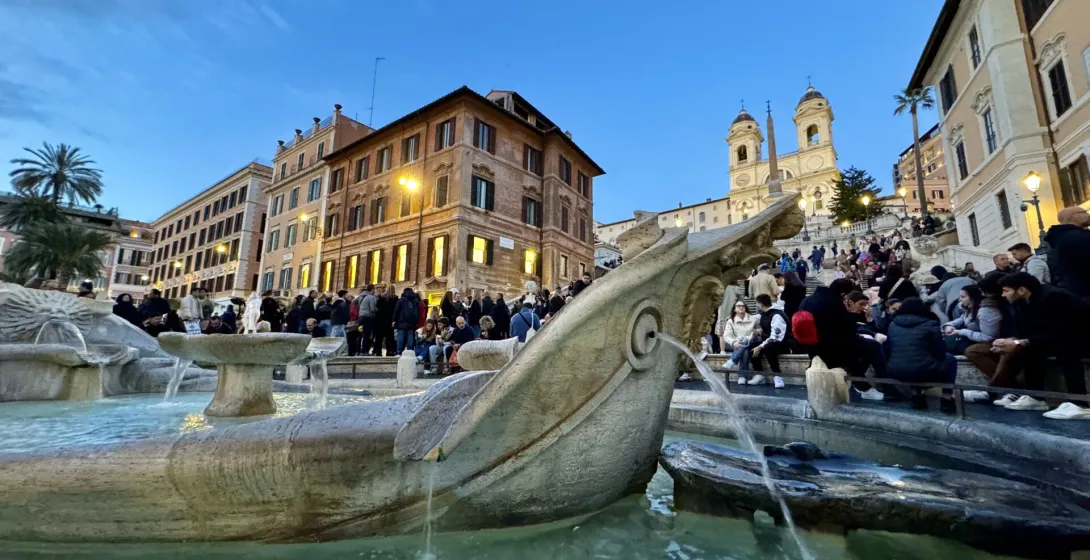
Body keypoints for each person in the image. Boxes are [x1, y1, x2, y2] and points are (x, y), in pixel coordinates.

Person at [988, 273, 1090, 419]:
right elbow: (1029, 330)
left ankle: (1080, 403)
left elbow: (1062, 330)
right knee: (1029, 348)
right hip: (1061, 336)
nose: (1003, 295)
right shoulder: (1025, 301)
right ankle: (1035, 397)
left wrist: (1021, 342)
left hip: (1079, 337)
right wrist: (1011, 341)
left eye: (1006, 291)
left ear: (1021, 290)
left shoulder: (1055, 298)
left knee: (1066, 347)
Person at [884, 297, 957, 412]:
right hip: (922, 370)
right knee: (950, 359)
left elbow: (888, 350)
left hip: (895, 371)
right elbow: (940, 352)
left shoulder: (892, 324)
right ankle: (947, 397)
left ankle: (917, 395)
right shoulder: (930, 323)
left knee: (913, 360)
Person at [943, 284, 1001, 402]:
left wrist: (962, 332)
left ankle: (1003, 382)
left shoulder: (984, 311)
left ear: (973, 297)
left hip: (991, 342)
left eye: (963, 297)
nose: (960, 300)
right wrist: (949, 326)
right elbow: (961, 320)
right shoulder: (969, 308)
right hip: (975, 339)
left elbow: (988, 337)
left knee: (971, 351)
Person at [741, 294, 788, 388]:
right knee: (752, 347)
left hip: (783, 343)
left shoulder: (777, 315)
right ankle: (759, 374)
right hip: (769, 341)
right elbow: (753, 319)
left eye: (757, 303)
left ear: (761, 304)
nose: (756, 306)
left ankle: (777, 376)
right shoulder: (764, 314)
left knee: (768, 348)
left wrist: (760, 347)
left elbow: (775, 337)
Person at [1043, 206, 1090, 297]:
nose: (1088, 215)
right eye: (1084, 212)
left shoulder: (1059, 238)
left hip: (1075, 290)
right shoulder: (1079, 237)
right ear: (1073, 217)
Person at [721, 301, 759, 384]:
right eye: (738, 306)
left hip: (752, 342)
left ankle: (732, 360)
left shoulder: (753, 318)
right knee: (744, 352)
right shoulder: (731, 321)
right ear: (734, 309)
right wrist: (733, 342)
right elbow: (726, 336)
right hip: (738, 344)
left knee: (745, 340)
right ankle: (742, 377)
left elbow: (760, 330)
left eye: (743, 306)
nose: (741, 307)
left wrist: (754, 333)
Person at [393, 288, 421, 354]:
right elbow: (417, 312)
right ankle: (410, 351)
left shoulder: (401, 300)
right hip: (412, 323)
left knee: (401, 336)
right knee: (410, 336)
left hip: (401, 322)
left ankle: (399, 352)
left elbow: (396, 310)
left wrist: (394, 320)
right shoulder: (415, 300)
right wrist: (416, 322)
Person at [354, 285, 378, 355]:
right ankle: (364, 351)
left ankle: (357, 351)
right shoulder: (371, 297)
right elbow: (373, 309)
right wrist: (378, 310)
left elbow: (357, 305)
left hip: (360, 316)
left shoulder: (360, 297)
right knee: (366, 335)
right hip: (368, 317)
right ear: (372, 289)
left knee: (360, 335)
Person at [374, 285, 397, 355]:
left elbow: (377, 308)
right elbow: (395, 310)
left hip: (379, 320)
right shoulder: (395, 298)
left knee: (379, 337)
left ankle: (377, 351)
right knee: (389, 337)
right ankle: (389, 351)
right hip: (389, 320)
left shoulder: (381, 298)